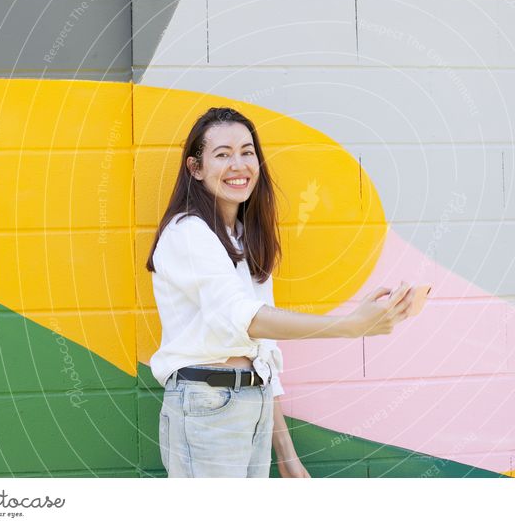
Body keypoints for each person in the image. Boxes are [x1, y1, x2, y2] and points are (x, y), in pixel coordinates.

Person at [146, 106, 415, 478]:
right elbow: (249, 321)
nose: (238, 164)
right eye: (222, 154)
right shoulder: (188, 233)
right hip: (207, 403)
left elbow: (262, 353)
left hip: (250, 402)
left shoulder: (243, 238)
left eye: (247, 151)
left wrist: (286, 454)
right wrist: (350, 326)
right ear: (195, 168)